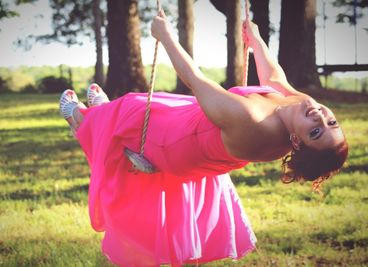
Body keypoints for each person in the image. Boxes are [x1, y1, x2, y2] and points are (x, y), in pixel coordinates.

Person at [59, 11, 348, 267]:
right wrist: (256, 39)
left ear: (296, 142)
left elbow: (195, 79)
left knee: (133, 110)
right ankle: (101, 114)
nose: (320, 117)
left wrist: (166, 37)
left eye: (316, 132)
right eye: (331, 122)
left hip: (181, 143)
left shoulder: (251, 122)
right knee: (149, 104)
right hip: (203, 131)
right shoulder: (306, 106)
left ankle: (82, 122)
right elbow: (276, 79)